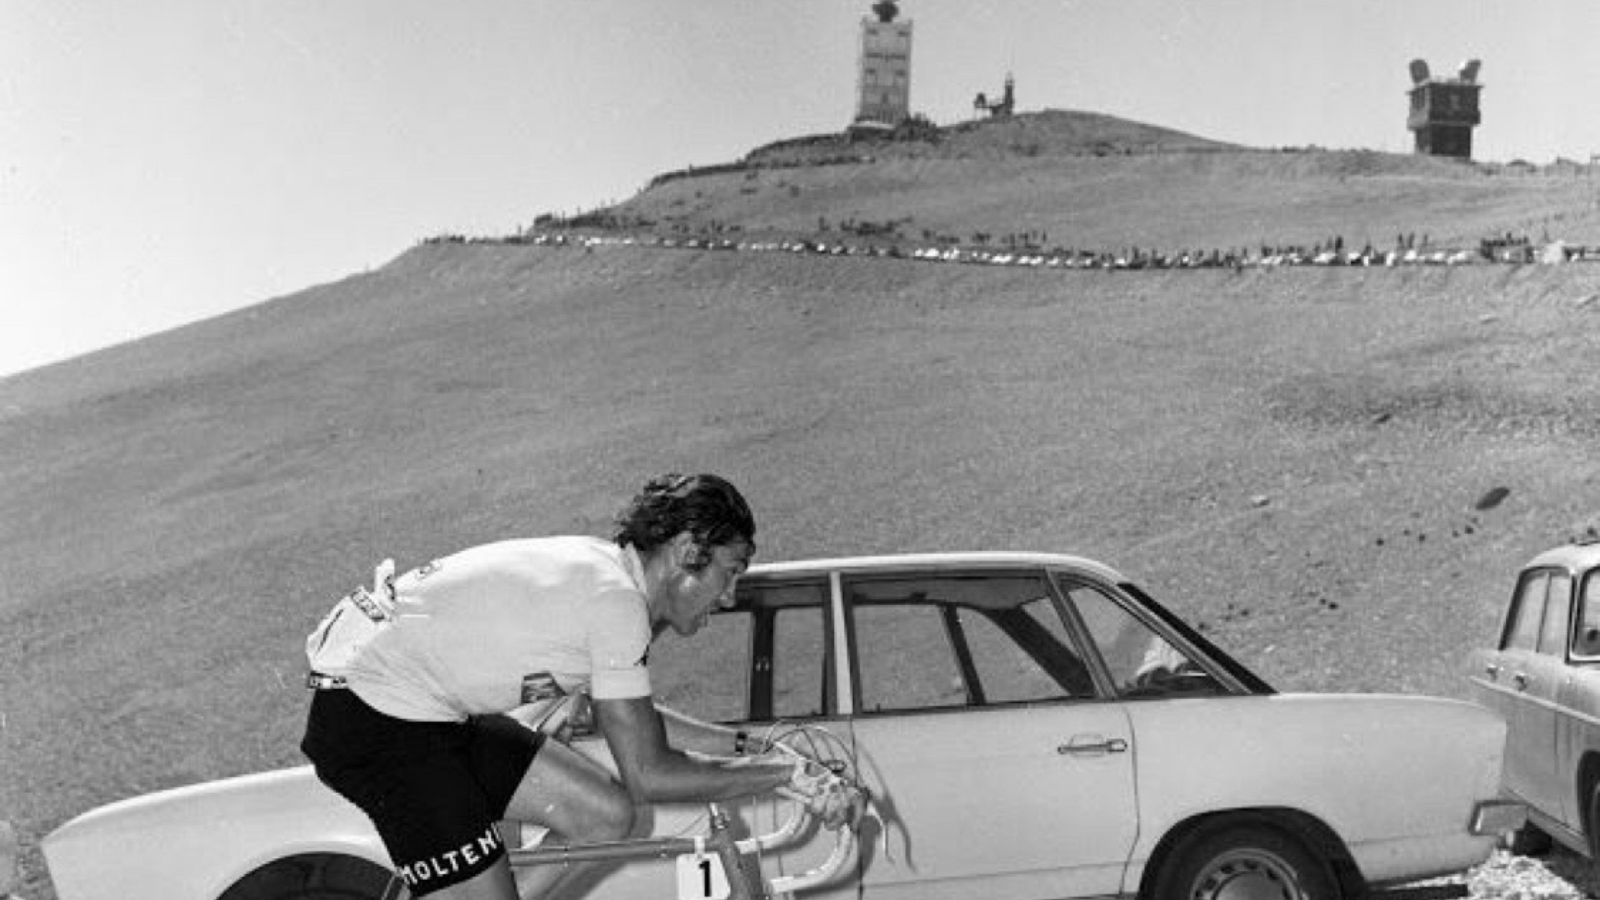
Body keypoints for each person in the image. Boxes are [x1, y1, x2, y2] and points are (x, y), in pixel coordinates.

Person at [300, 473, 861, 900]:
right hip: (380, 722)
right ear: (690, 552)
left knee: (603, 816)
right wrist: (790, 775)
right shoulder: (616, 606)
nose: (732, 594)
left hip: (418, 709)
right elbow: (650, 773)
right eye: (731, 570)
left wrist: (755, 749)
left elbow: (627, 723)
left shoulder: (609, 581)